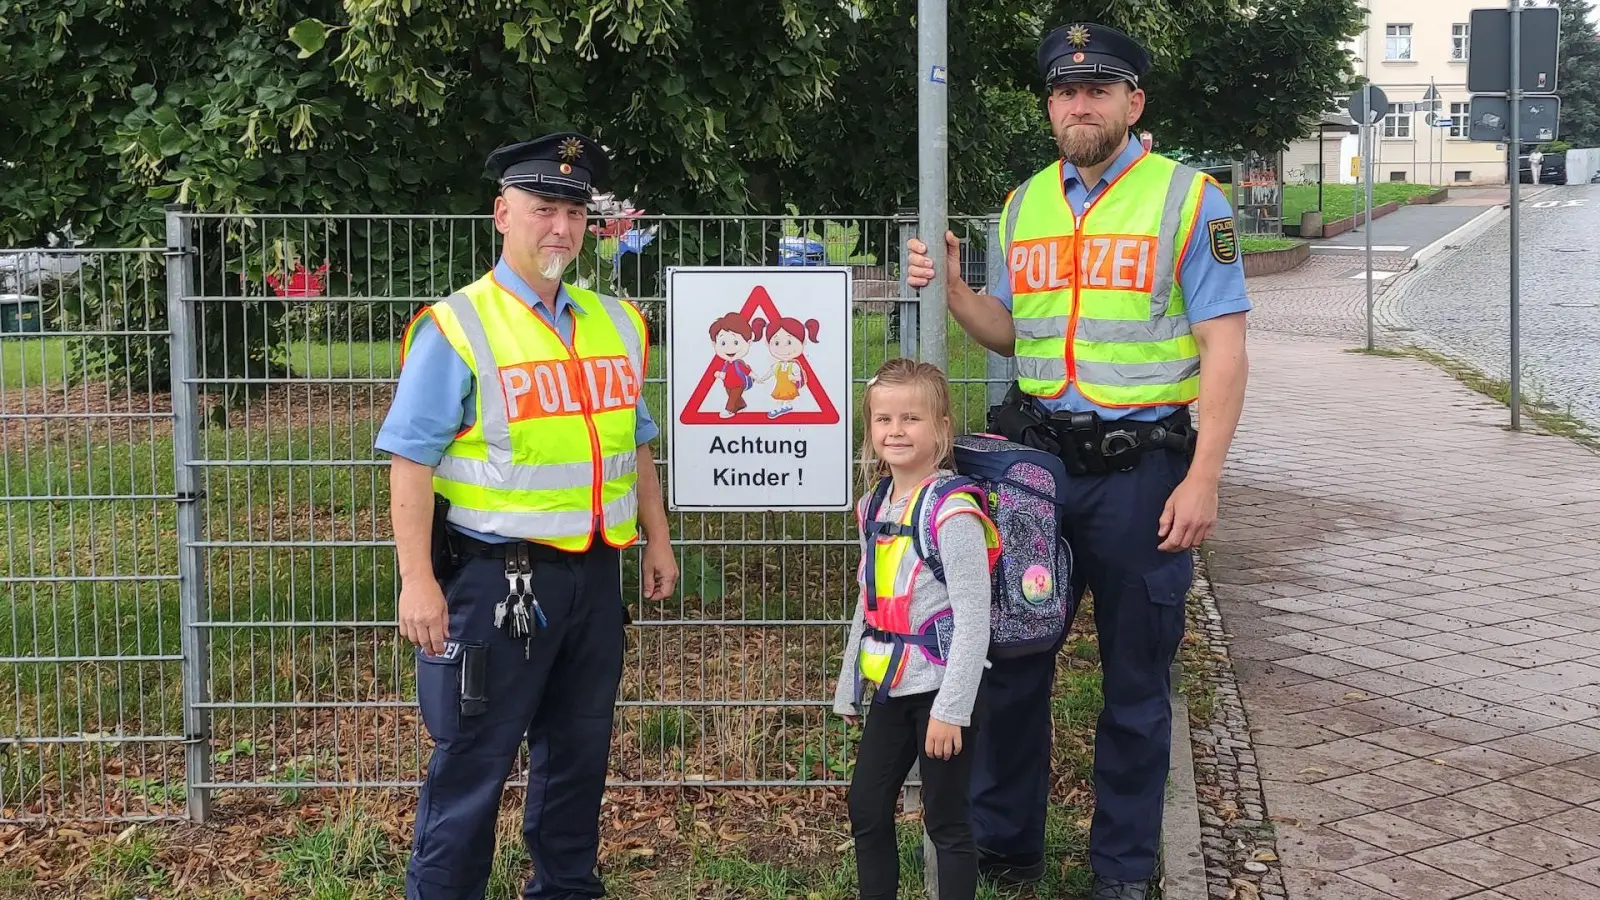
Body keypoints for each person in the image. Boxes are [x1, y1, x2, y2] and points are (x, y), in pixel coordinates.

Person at [905, 22, 1251, 900]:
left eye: (1099, 89)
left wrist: (1204, 476)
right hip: (1037, 474)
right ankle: (1007, 845)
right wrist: (954, 290)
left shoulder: (1188, 200)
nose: (1079, 104)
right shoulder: (1025, 205)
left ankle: (1124, 871)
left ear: (1134, 103)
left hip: (1143, 476)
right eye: (1066, 91)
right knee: (1013, 660)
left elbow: (1225, 347)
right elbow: (1011, 331)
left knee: (1136, 683)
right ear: (1051, 104)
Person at [377, 131, 679, 900]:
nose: (561, 228)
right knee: (475, 761)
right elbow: (410, 461)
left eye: (574, 212)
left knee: (579, 757)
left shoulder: (615, 322)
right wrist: (418, 581)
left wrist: (659, 540)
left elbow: (636, 441)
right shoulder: (457, 326)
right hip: (496, 586)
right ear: (501, 214)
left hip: (594, 577)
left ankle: (566, 888)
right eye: (544, 208)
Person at [832, 358, 1000, 900]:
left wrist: (952, 711)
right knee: (867, 805)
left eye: (911, 419)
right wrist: (848, 681)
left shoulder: (953, 511)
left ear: (942, 429)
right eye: (883, 420)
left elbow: (975, 618)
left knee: (946, 818)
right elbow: (870, 598)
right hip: (892, 688)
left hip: (941, 692)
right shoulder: (874, 504)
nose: (896, 431)